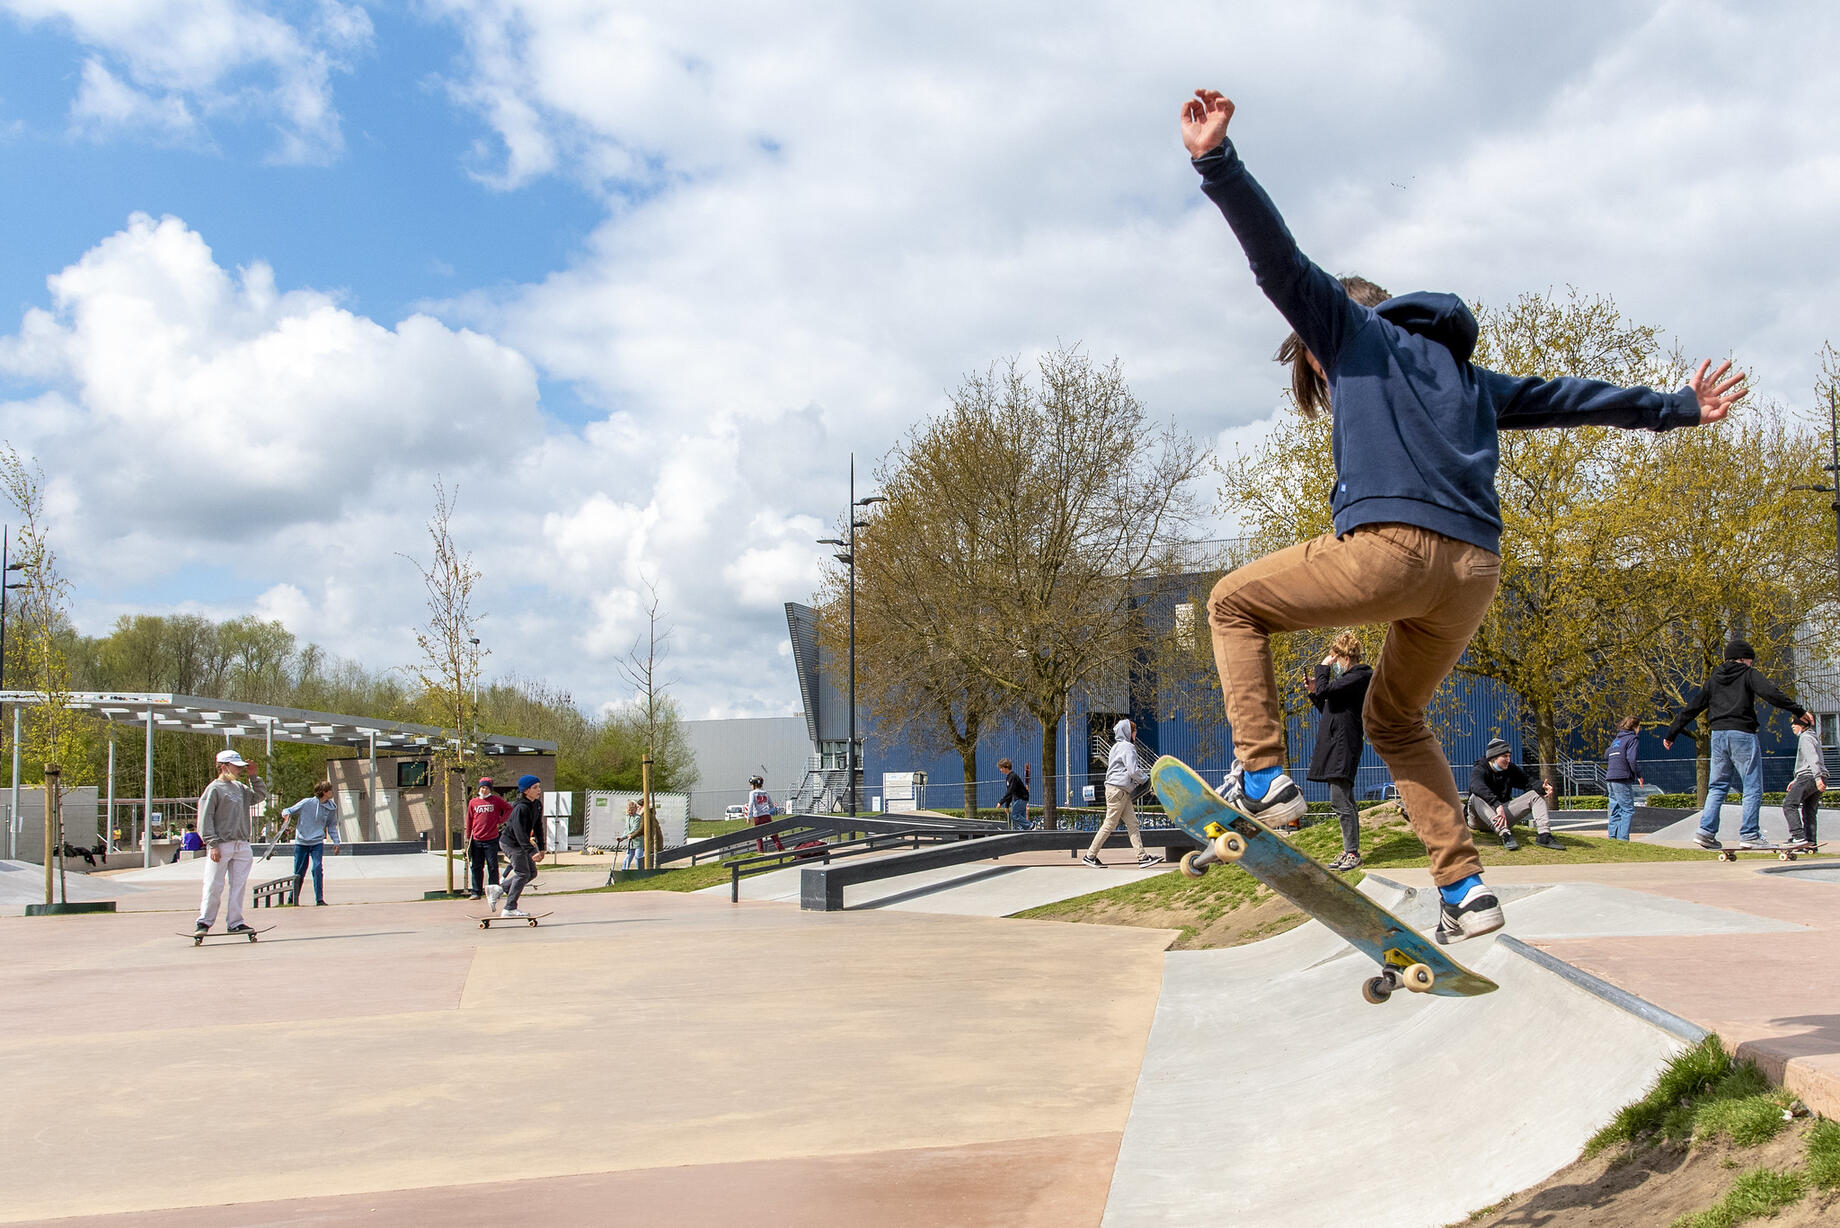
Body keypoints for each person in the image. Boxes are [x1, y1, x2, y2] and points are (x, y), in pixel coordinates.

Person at [1178, 88, 1745, 944]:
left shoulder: (1352, 332)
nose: (1326, 390)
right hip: (1473, 575)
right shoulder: (1471, 381)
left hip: (1393, 551)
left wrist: (1215, 162)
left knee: (1232, 602)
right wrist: (1675, 407)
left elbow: (1278, 263)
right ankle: (1466, 888)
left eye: (1318, 378)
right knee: (1396, 719)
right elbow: (1568, 398)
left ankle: (1264, 778)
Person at [1662, 640, 1813, 850]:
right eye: (1750, 661)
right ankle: (1750, 834)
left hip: (1718, 736)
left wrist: (1672, 732)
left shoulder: (1714, 679)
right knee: (1752, 786)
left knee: (1717, 785)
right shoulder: (1747, 673)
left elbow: (1693, 706)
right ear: (1743, 658)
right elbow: (1771, 693)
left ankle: (1705, 832)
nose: (1751, 665)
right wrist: (1798, 711)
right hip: (1742, 733)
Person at [1306, 632, 1373, 871]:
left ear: (1344, 655)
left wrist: (1322, 667)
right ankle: (1349, 850)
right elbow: (1329, 708)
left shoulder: (1359, 676)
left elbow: (1329, 693)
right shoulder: (1348, 680)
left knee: (1340, 801)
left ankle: (1352, 852)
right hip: (1337, 743)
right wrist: (1315, 692)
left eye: (1335, 656)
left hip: (1343, 746)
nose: (1333, 661)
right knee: (1344, 800)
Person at [193, 749, 268, 936]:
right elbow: (205, 818)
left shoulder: (240, 788)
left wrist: (254, 777)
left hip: (241, 843)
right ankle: (204, 921)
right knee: (213, 884)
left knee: (239, 885)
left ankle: (235, 921)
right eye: (236, 767)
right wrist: (212, 843)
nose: (239, 770)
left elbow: (259, 797)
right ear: (224, 766)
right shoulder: (214, 789)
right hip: (221, 844)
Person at [1082, 719, 1159, 869]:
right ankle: (1090, 855)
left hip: (1117, 790)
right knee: (1110, 824)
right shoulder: (1128, 747)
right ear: (1129, 732)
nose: (1136, 734)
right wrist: (1146, 780)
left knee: (1132, 824)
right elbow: (1133, 770)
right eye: (1134, 731)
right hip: (1119, 791)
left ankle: (1142, 857)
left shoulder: (1115, 747)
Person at [1467, 739, 1561, 851]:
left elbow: (1528, 782)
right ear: (1493, 757)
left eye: (1509, 756)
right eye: (1505, 756)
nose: (1508, 760)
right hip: (1479, 819)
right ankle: (1506, 835)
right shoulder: (1480, 768)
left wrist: (1543, 786)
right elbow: (1476, 786)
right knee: (1475, 796)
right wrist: (1497, 805)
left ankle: (1544, 836)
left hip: (1501, 818)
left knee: (1535, 794)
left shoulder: (1510, 769)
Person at [492, 774, 547, 918]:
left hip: (520, 844)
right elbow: (519, 832)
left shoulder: (536, 804)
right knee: (523, 873)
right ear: (526, 790)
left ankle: (499, 889)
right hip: (511, 843)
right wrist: (531, 851)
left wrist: (541, 847)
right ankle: (509, 908)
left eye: (539, 787)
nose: (538, 790)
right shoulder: (521, 808)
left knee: (532, 873)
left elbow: (538, 826)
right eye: (535, 787)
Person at [281, 781, 341, 905]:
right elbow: (288, 810)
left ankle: (319, 899)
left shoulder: (331, 807)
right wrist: (286, 815)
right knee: (299, 871)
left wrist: (336, 842)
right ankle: (292, 898)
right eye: (330, 790)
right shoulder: (307, 803)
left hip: (317, 842)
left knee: (317, 867)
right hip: (302, 842)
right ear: (324, 792)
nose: (332, 792)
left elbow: (331, 826)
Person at [1783, 713, 1827, 850]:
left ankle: (1798, 837)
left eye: (1794, 724)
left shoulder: (1805, 738)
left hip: (1810, 776)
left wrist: (1817, 777)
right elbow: (1809, 761)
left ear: (1801, 725)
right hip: (1814, 776)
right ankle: (1810, 841)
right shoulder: (1813, 737)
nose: (1792, 727)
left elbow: (1813, 758)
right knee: (1809, 810)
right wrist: (1796, 780)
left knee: (1789, 804)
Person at [465, 777, 511, 899]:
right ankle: (476, 891)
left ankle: (493, 891)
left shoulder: (495, 800)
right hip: (476, 840)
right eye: (482, 787)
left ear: (490, 789)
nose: (484, 790)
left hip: (491, 839)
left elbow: (508, 809)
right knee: (476, 866)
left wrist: (500, 820)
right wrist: (468, 836)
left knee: (492, 865)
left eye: (486, 788)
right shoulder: (473, 802)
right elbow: (469, 819)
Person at [1604, 717, 1644, 841]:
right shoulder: (1632, 738)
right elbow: (1631, 759)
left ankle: (1613, 837)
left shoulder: (1617, 739)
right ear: (1635, 727)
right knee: (1627, 810)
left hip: (1610, 777)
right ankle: (1623, 839)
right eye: (1639, 727)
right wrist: (1639, 775)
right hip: (1622, 777)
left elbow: (1606, 755)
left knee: (1615, 808)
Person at [746, 774, 783, 854]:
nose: (750, 786)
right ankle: (781, 849)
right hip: (767, 815)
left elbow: (751, 804)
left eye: (751, 784)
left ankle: (761, 852)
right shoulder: (765, 793)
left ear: (755, 785)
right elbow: (771, 805)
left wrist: (749, 816)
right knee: (773, 834)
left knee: (758, 836)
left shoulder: (752, 793)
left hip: (758, 817)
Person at [998, 757, 1032, 829]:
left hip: (1021, 798)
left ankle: (1029, 825)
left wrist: (1001, 802)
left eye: (1001, 768)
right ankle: (1025, 831)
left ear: (1006, 767)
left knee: (1014, 815)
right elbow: (1010, 793)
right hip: (1020, 798)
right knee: (1021, 817)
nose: (1000, 770)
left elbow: (1010, 791)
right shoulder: (1008, 777)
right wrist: (1007, 806)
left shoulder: (1013, 776)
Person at [621, 800, 644, 870]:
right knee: (627, 859)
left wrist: (625, 836)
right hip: (630, 842)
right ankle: (624, 872)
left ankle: (640, 873)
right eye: (629, 810)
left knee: (638, 858)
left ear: (635, 809)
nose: (630, 812)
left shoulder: (637, 817)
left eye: (632, 810)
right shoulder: (628, 817)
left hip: (638, 842)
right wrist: (621, 838)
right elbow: (626, 829)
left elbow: (634, 829)